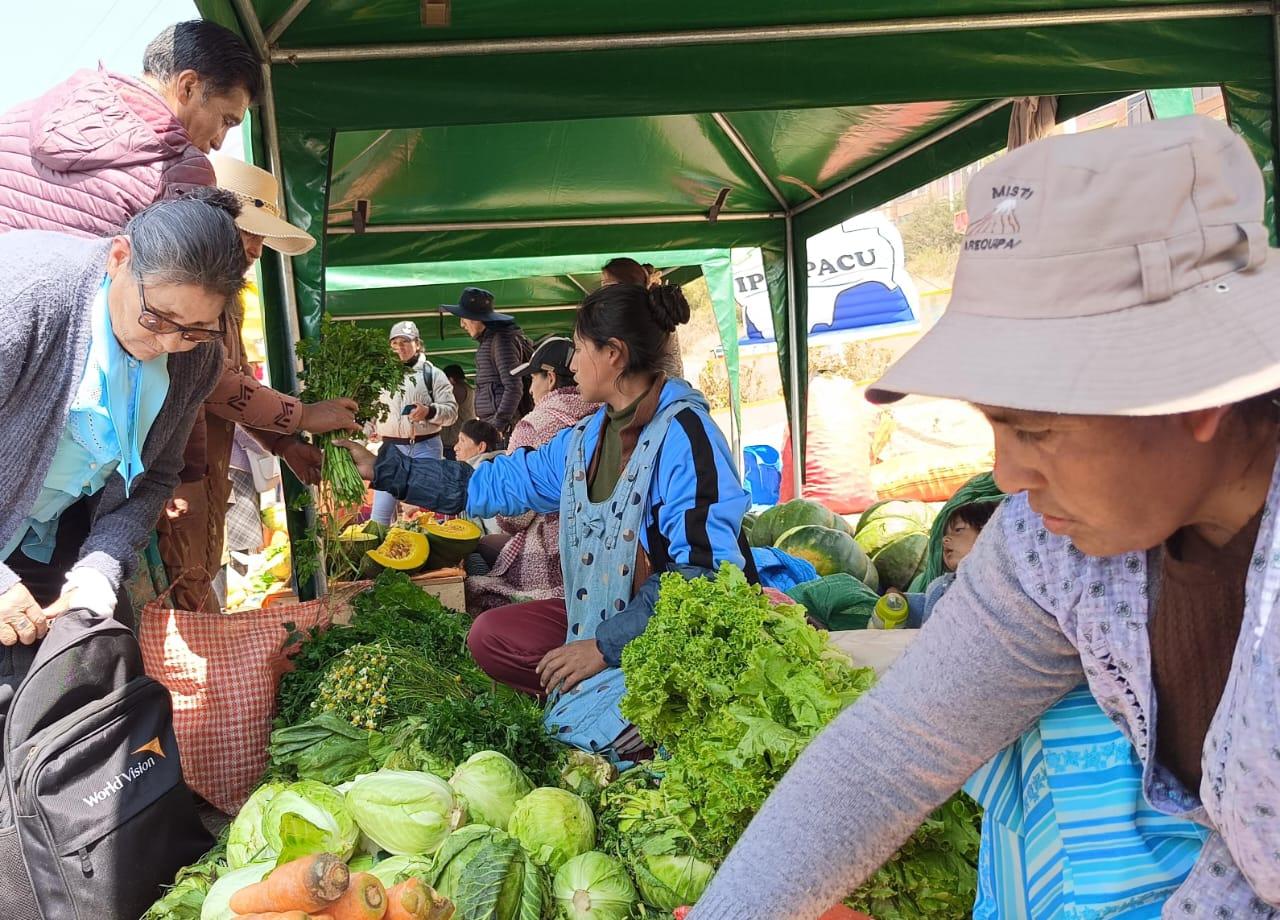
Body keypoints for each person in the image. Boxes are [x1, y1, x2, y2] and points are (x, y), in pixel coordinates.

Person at [688, 116, 1280, 917]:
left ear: (1197, 393)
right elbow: (893, 751)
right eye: (993, 425)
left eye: (1036, 429)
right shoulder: (1053, 549)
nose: (1004, 473)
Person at [339, 282, 750, 728]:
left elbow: (704, 577)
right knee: (491, 636)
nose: (572, 364)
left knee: (631, 712)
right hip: (593, 616)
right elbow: (499, 481)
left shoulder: (687, 436)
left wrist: (603, 646)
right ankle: (601, 696)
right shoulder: (587, 437)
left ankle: (622, 704)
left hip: (665, 631)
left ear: (613, 353)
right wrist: (384, 469)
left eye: (577, 349)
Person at [0, 189, 244, 664]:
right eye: (158, 317)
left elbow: (152, 478)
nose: (171, 343)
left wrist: (99, 566)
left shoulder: (198, 360)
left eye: (196, 328)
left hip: (45, 536)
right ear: (118, 258)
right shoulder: (25, 298)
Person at [158, 156, 358, 612]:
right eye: (250, 233)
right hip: (173, 478)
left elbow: (239, 382)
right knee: (181, 594)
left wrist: (285, 443)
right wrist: (302, 414)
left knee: (201, 577)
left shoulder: (230, 301)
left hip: (205, 472)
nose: (257, 250)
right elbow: (211, 380)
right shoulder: (182, 289)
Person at [0, 20, 260, 237]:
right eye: (226, 120)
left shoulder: (15, 120)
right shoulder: (183, 172)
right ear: (188, 87)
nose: (218, 142)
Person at [467, 336, 599, 611]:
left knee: (479, 572)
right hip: (599, 546)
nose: (528, 391)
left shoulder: (534, 425)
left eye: (532, 380)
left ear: (550, 378)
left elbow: (513, 518)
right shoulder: (601, 413)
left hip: (558, 559)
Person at [368, 321, 459, 526]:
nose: (400, 347)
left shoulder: (433, 374)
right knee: (379, 518)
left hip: (426, 448)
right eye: (395, 342)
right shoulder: (381, 377)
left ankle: (434, 556)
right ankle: (382, 555)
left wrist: (429, 411)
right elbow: (369, 412)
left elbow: (452, 412)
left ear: (417, 344)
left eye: (405, 342)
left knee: (425, 515)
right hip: (391, 450)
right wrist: (366, 429)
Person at [444, 287, 532, 439]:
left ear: (476, 318)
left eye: (463, 318)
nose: (462, 324)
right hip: (498, 426)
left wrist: (497, 426)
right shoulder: (492, 340)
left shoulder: (501, 340)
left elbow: (514, 386)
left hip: (504, 430)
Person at [601, 257, 685, 379]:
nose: (602, 292)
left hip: (658, 389)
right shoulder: (647, 308)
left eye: (605, 284)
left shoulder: (641, 315)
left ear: (625, 285)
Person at [440, 364, 476, 461]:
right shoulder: (469, 389)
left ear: (451, 379)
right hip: (458, 440)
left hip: (453, 442)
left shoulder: (458, 389)